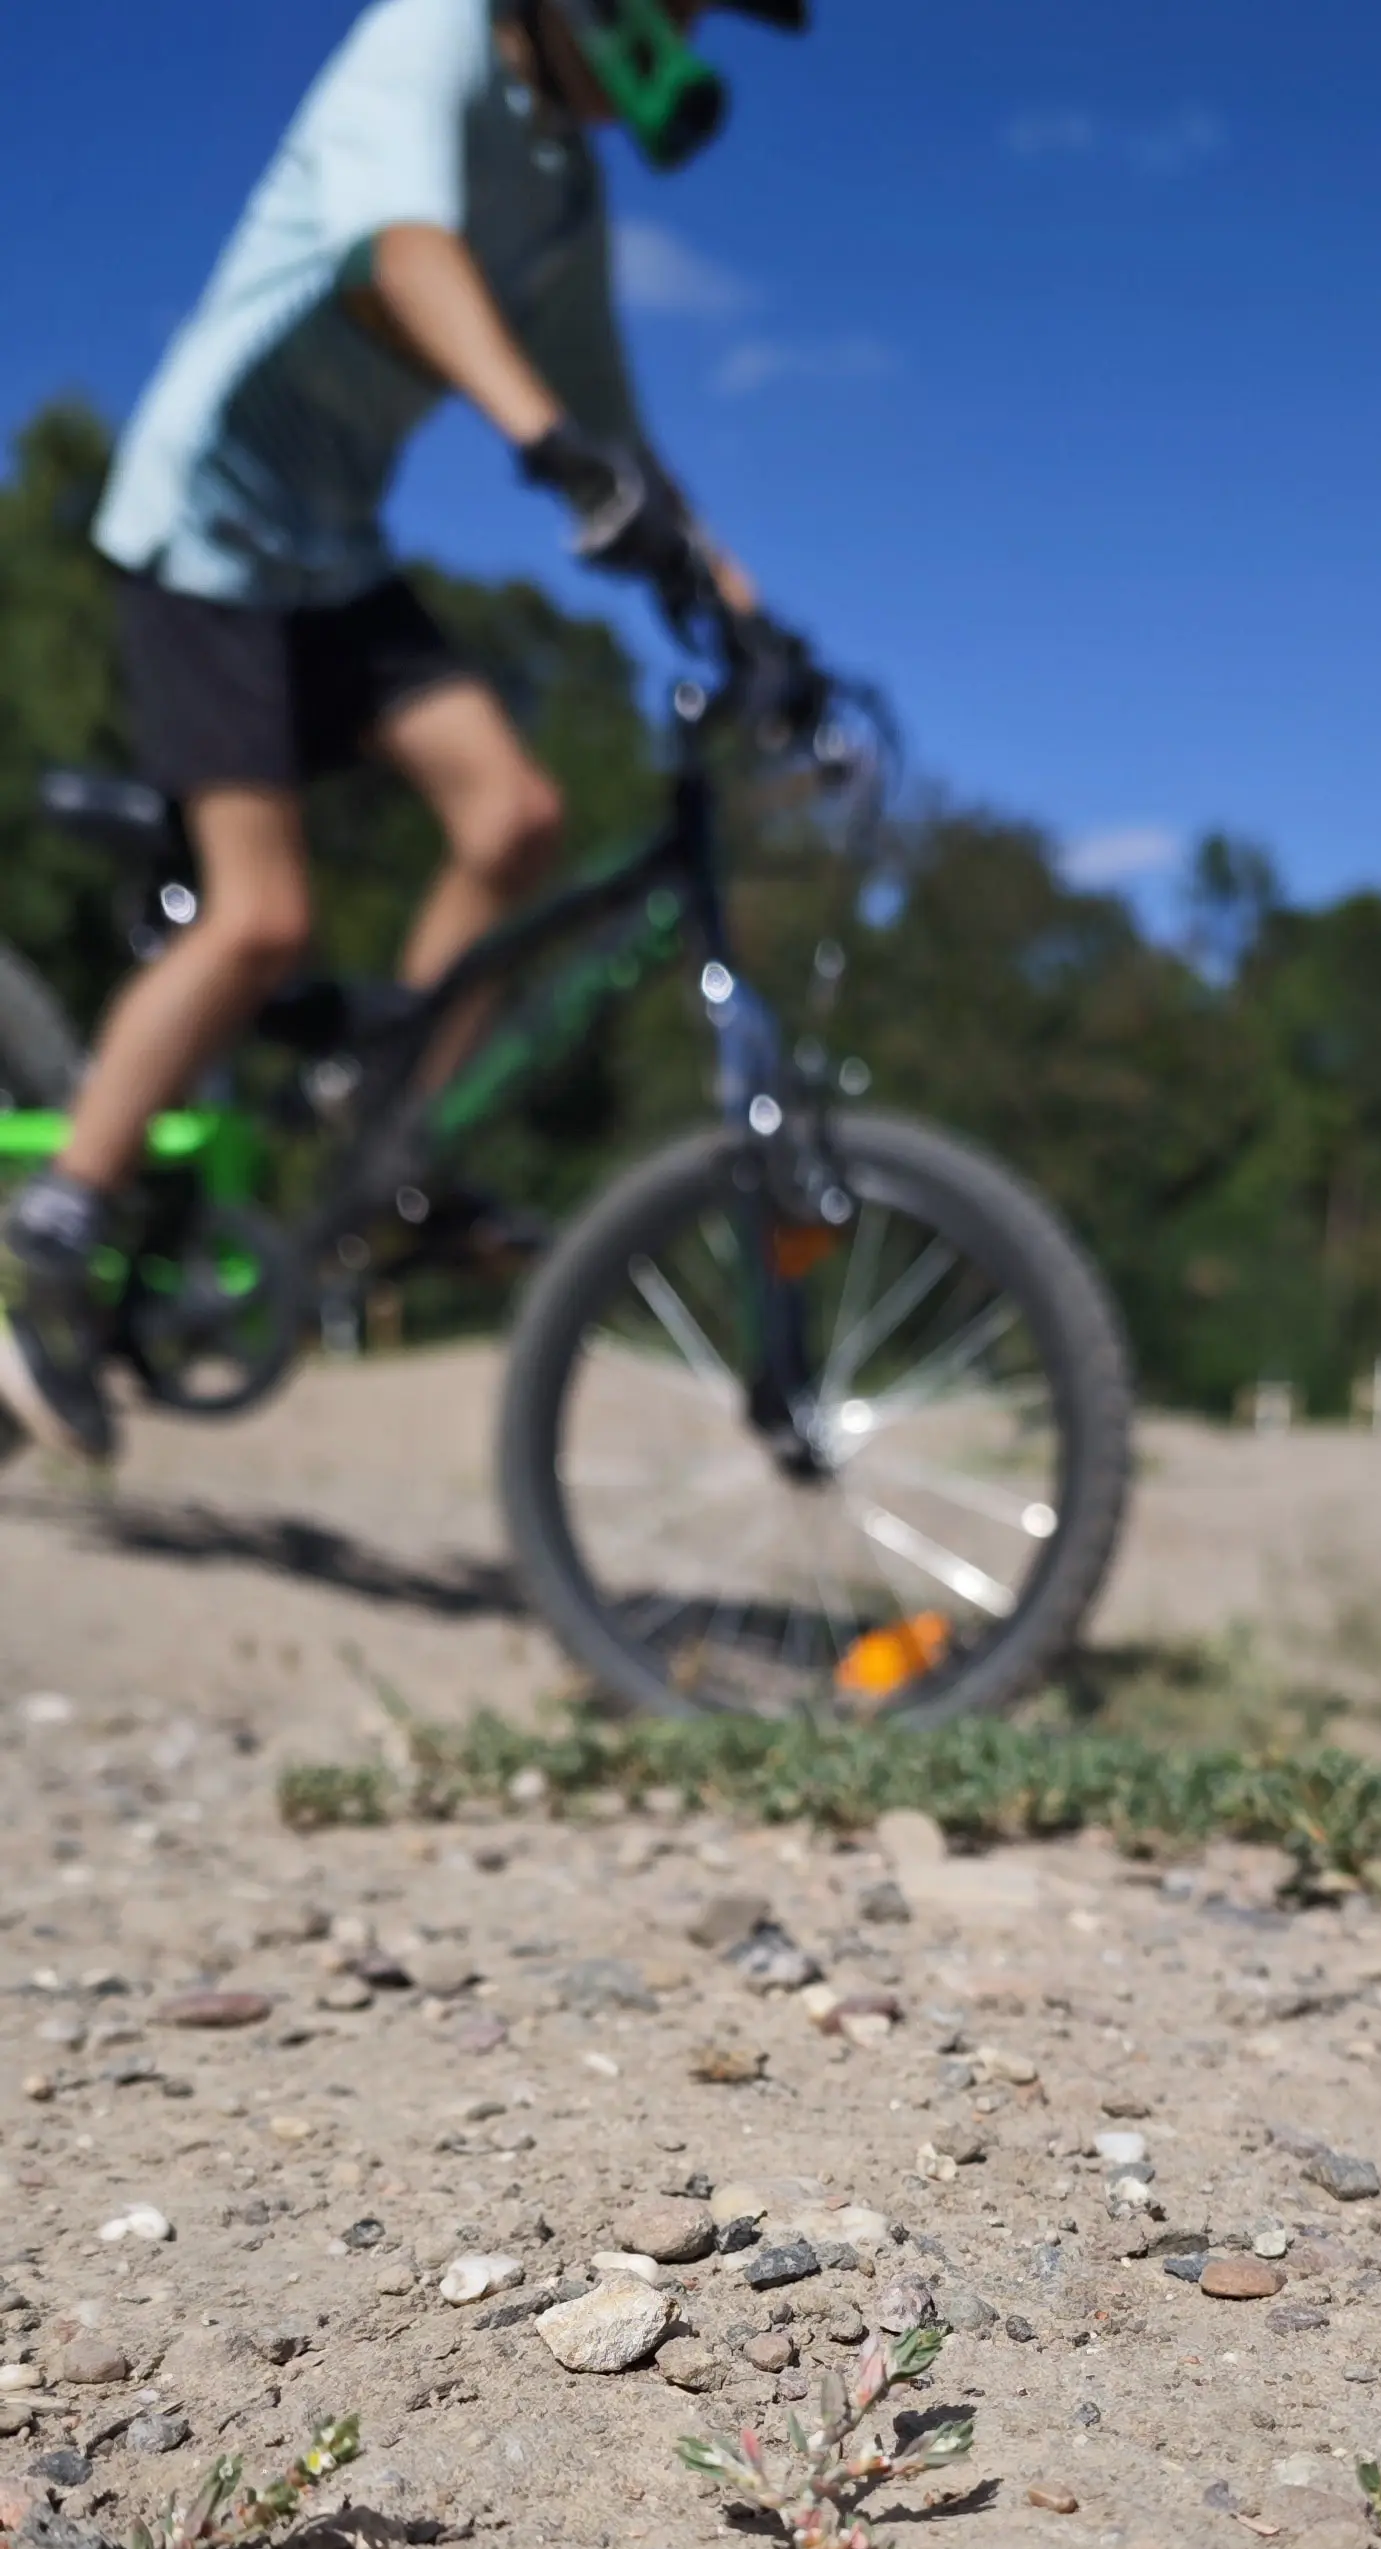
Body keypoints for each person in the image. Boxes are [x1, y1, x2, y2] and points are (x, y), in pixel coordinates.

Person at [0, 0, 807, 1467]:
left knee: (517, 819)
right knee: (261, 917)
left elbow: (618, 421)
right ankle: (63, 1215)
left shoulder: (561, 189)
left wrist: (748, 612)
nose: (685, 44)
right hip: (206, 530)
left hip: (332, 556)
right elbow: (404, 251)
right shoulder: (429, 36)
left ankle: (389, 1132)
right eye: (678, 8)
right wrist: (543, 449)